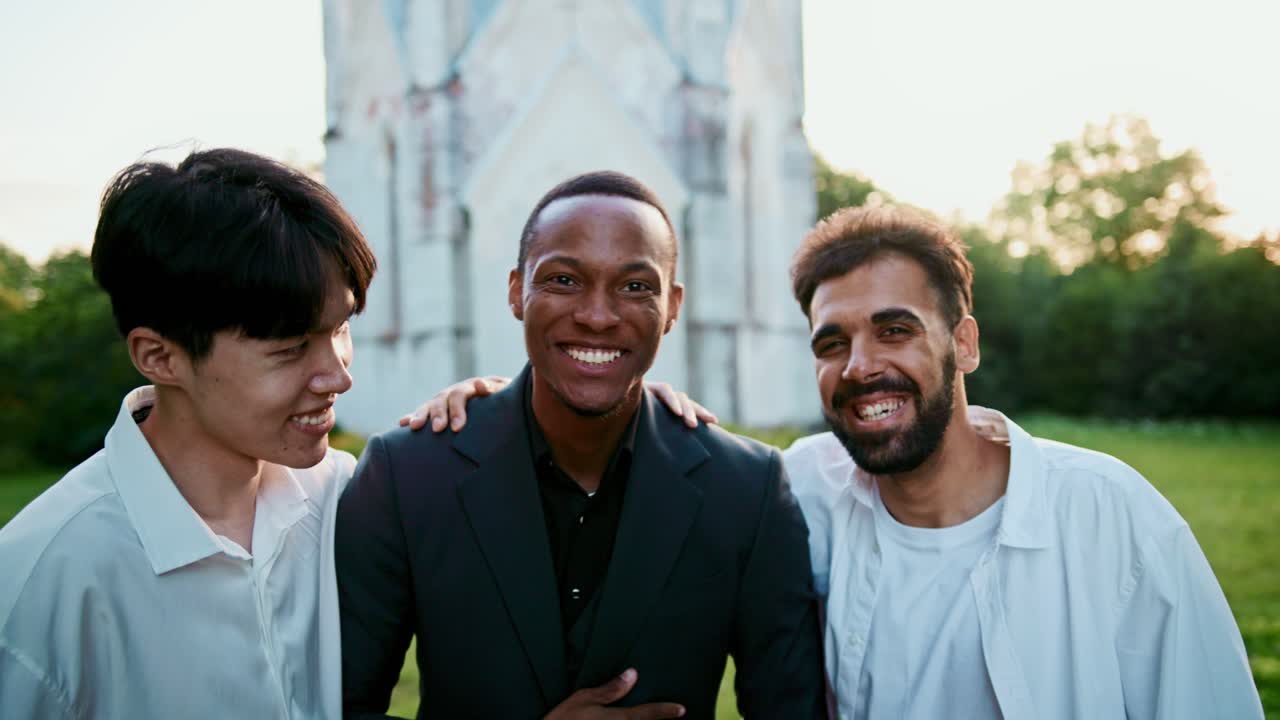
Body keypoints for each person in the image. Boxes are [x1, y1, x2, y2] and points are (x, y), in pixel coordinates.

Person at [425, 205, 1265, 719]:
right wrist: (503, 405)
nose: (861, 366)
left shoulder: (1112, 519)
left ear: (963, 342)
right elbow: (642, 443)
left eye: (895, 330)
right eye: (834, 342)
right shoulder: (800, 489)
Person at [335, 171, 825, 719]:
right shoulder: (405, 474)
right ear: (517, 290)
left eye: (636, 286)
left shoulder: (748, 489)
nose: (597, 316)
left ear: (673, 307)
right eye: (564, 280)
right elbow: (337, 709)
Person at [0, 149, 377, 718]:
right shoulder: (41, 582)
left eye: (341, 327)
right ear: (159, 357)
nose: (339, 375)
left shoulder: (343, 496)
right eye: (291, 348)